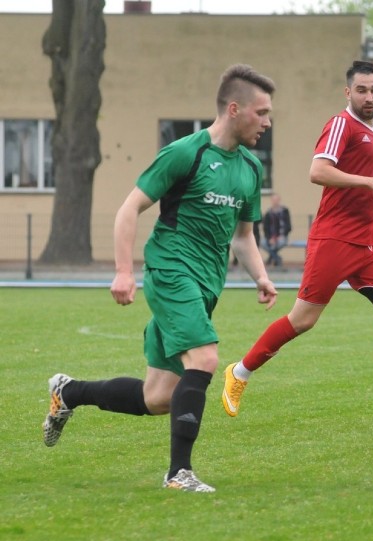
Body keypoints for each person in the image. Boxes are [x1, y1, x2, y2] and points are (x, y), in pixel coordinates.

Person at [41, 64, 278, 492]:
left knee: (158, 398)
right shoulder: (186, 152)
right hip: (171, 272)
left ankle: (68, 393)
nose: (267, 122)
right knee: (205, 360)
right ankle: (178, 474)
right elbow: (129, 208)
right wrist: (124, 272)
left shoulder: (250, 167)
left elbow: (244, 235)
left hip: (207, 285)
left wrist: (261, 276)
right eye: (261, 113)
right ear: (234, 108)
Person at [221, 61, 373, 423]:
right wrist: (372, 184)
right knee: (302, 320)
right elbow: (319, 172)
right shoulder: (341, 124)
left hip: (368, 239)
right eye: (361, 90)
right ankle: (239, 372)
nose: (369, 96)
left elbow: (361, 183)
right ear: (348, 93)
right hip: (335, 238)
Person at [261, 192, 292, 267]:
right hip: (271, 237)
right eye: (273, 200)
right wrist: (269, 238)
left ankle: (272, 258)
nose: (275, 201)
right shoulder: (268, 213)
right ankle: (277, 258)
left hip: (282, 237)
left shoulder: (285, 211)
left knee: (279, 243)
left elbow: (288, 226)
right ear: (271, 200)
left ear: (279, 200)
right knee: (262, 243)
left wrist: (282, 235)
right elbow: (265, 228)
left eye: (276, 199)